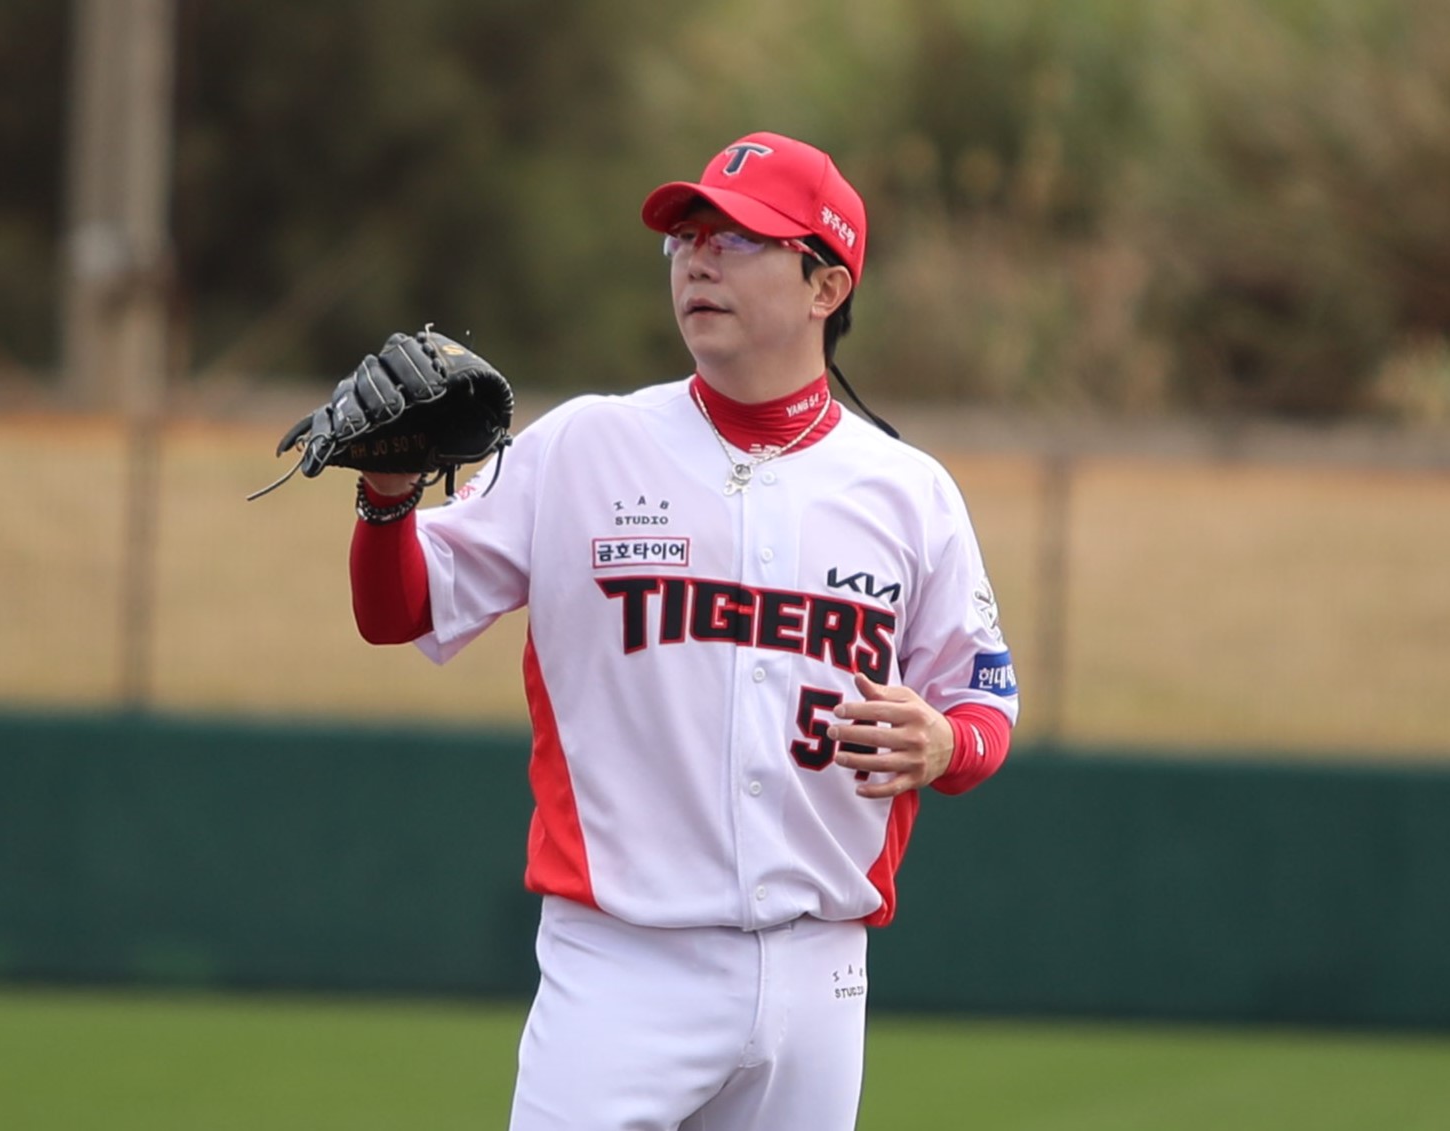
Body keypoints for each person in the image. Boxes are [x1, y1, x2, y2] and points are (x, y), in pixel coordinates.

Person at [348, 131, 1019, 1131]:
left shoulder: (907, 492)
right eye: (686, 237)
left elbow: (982, 702)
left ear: (826, 285)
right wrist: (386, 495)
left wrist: (943, 744)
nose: (699, 259)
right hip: (620, 964)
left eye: (739, 238)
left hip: (819, 969)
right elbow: (399, 610)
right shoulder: (584, 445)